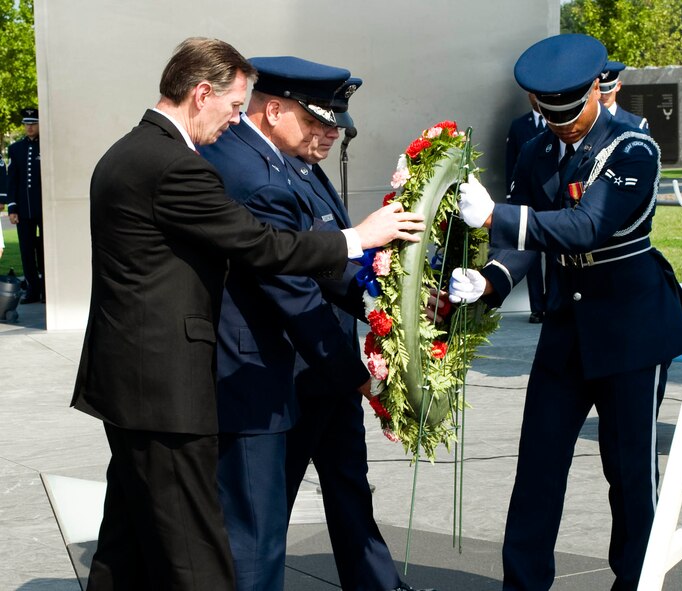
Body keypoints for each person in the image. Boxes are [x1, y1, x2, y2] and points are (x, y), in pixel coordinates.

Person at [71, 38, 424, 591]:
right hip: (168, 389)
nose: (237, 119)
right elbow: (263, 248)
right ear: (202, 93)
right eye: (235, 106)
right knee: (202, 555)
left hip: (132, 380)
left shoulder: (131, 151)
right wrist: (359, 238)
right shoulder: (177, 165)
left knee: (127, 541)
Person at [450, 34, 682, 590]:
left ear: (596, 90)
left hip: (631, 327)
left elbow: (588, 225)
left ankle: (637, 581)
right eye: (551, 114)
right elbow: (527, 238)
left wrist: (498, 218)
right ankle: (524, 583)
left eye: (574, 111)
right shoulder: (538, 150)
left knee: (629, 471)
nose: (564, 125)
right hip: (567, 327)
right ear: (537, 104)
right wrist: (491, 279)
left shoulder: (633, 147)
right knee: (538, 464)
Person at [282, 79, 430, 591]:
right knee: (271, 500)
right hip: (299, 367)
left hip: (334, 364)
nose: (329, 135)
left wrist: (393, 306)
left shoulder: (308, 171)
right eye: (318, 123)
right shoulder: (271, 179)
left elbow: (339, 269)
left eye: (335, 126)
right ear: (276, 110)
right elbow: (296, 282)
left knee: (348, 485)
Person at [505, 93, 546, 323]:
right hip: (527, 200)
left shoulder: (556, 124)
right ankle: (537, 307)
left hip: (549, 200)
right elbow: (511, 164)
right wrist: (512, 198)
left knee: (554, 255)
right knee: (530, 255)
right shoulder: (519, 126)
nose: (536, 98)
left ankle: (552, 302)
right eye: (533, 94)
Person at [6, 107, 44, 303]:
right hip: (23, 210)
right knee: (26, 250)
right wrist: (12, 208)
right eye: (26, 124)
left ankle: (46, 289)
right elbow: (12, 181)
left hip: (43, 210)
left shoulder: (46, 146)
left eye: (33, 123)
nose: (29, 127)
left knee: (45, 249)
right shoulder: (15, 149)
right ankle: (32, 289)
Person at [599, 60, 649, 133]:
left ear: (618, 86)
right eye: (601, 90)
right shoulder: (583, 123)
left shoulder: (636, 125)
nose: (603, 95)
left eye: (608, 91)